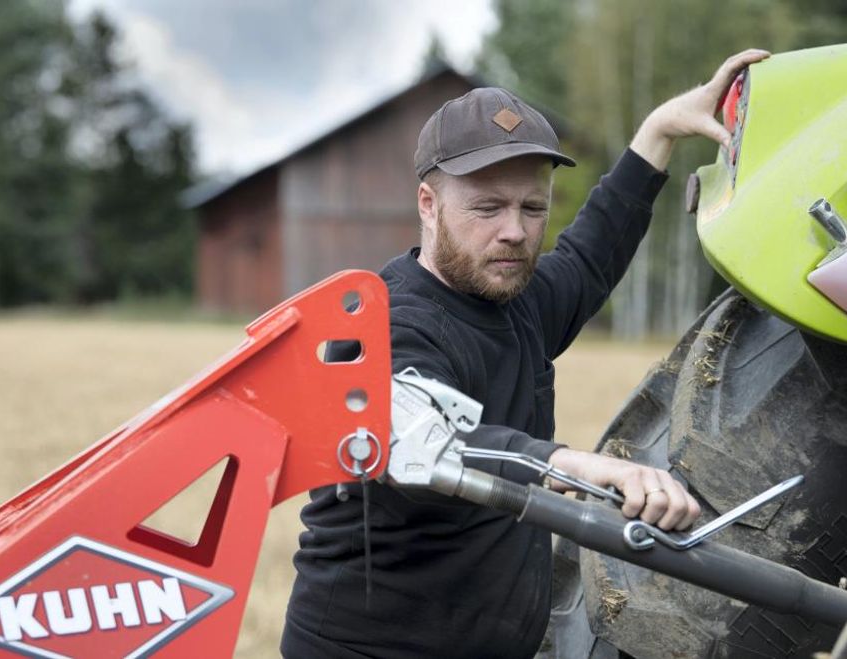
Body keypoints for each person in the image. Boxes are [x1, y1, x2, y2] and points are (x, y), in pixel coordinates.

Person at [282, 49, 771, 659]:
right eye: (487, 208)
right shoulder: (388, 323)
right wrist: (578, 466)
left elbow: (591, 253)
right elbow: (426, 444)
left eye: (532, 208)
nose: (514, 230)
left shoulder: (517, 300)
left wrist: (659, 130)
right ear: (429, 205)